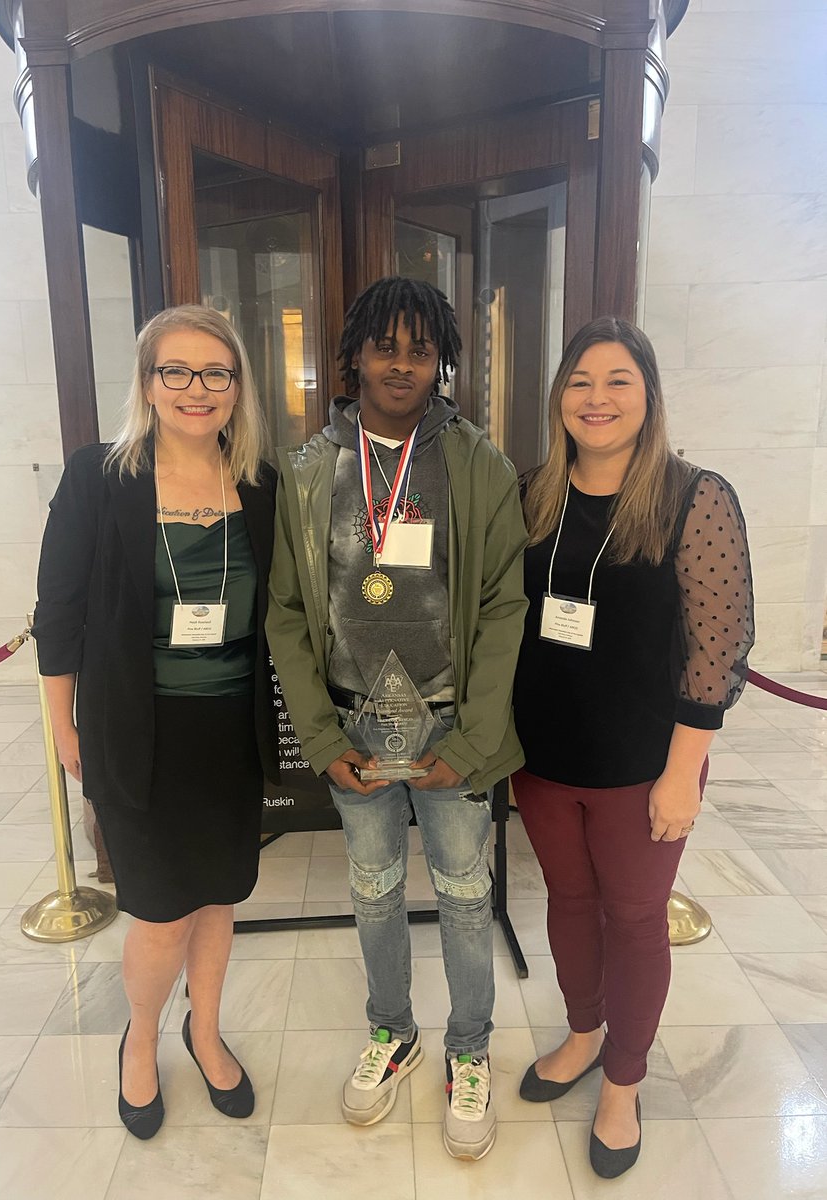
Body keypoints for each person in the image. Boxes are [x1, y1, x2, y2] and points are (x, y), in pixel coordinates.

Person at [267, 276, 527, 1160]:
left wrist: (475, 740)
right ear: (356, 356)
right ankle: (393, 1030)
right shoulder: (310, 470)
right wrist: (320, 735)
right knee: (373, 890)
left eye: (421, 350)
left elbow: (503, 608)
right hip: (354, 729)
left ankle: (469, 1047)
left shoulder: (478, 466)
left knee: (465, 894)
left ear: (441, 360)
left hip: (452, 725)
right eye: (387, 347)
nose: (403, 365)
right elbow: (288, 615)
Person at [512, 317, 754, 1178]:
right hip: (544, 758)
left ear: (648, 395)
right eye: (581, 381)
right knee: (570, 903)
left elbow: (718, 648)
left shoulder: (694, 497)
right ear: (559, 398)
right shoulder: (533, 493)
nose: (598, 399)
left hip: (643, 762)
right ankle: (584, 1034)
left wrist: (683, 773)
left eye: (618, 381)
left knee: (636, 918)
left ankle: (624, 1078)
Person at [33, 304, 277, 1140]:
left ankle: (205, 1032)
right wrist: (63, 727)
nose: (196, 389)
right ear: (147, 383)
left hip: (229, 735)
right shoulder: (98, 478)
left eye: (216, 372)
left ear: (237, 386)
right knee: (162, 910)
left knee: (217, 898)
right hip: (135, 733)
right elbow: (59, 613)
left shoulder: (260, 483)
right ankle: (141, 1038)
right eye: (176, 370)